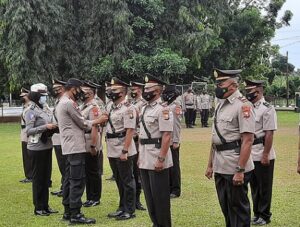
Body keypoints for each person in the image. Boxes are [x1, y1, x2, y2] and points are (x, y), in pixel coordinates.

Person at [205, 69, 255, 227]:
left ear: (233, 85)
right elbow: (216, 138)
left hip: (235, 166)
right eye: (217, 83)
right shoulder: (221, 104)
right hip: (220, 165)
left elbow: (247, 140)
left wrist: (240, 170)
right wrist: (210, 164)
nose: (218, 86)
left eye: (221, 83)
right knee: (226, 207)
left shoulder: (243, 106)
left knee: (238, 209)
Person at [56, 78, 108, 225]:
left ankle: (67, 211)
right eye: (79, 89)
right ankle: (75, 214)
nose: (80, 93)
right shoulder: (69, 103)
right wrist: (99, 121)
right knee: (77, 180)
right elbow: (83, 123)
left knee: (68, 179)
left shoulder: (62, 102)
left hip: (68, 146)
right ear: (73, 89)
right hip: (75, 146)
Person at [139, 73, 174, 227]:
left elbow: (166, 135)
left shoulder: (163, 109)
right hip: (145, 156)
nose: (144, 90)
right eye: (144, 88)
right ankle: (155, 223)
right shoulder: (144, 108)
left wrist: (161, 159)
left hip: (157, 156)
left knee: (160, 198)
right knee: (149, 197)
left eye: (148, 88)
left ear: (158, 91)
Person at [244, 79, 277, 225]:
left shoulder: (267, 108)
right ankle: (257, 213)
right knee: (254, 187)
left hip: (262, 152)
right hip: (250, 154)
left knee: (264, 187)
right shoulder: (248, 107)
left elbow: (269, 133)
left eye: (249, 91)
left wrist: (265, 154)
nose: (247, 93)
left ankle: (265, 215)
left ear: (258, 91)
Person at [106, 77, 137, 221]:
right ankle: (122, 206)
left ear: (123, 92)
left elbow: (130, 130)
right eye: (111, 90)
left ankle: (130, 210)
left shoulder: (129, 108)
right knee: (119, 179)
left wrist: (125, 151)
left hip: (124, 148)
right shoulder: (110, 107)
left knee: (127, 180)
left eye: (115, 90)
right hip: (112, 147)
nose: (111, 92)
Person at [25, 83, 58, 216]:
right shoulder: (30, 110)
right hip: (36, 148)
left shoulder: (45, 108)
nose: (44, 98)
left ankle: (45, 205)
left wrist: (53, 127)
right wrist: (46, 127)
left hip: (46, 146)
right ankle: (38, 207)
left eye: (45, 95)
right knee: (38, 178)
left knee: (46, 178)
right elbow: (29, 130)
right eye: (42, 95)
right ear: (35, 96)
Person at [80, 81, 104, 207]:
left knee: (94, 171)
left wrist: (94, 145)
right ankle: (89, 196)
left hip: (91, 140)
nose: (80, 94)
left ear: (90, 94)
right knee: (88, 171)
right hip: (84, 140)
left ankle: (95, 197)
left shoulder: (94, 107)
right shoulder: (83, 106)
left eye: (83, 92)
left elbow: (95, 126)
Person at [162, 84, 182, 199]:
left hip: (172, 140)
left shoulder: (176, 106)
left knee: (174, 166)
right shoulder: (165, 105)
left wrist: (176, 140)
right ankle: (168, 187)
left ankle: (175, 189)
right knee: (167, 165)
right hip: (165, 140)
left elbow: (177, 125)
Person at [130, 81, 147, 210]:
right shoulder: (131, 103)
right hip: (129, 140)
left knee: (137, 172)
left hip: (137, 141)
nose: (133, 91)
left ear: (140, 90)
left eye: (135, 88)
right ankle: (130, 199)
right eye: (132, 89)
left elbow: (142, 123)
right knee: (130, 172)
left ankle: (137, 200)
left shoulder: (143, 104)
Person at [51, 79, 67, 197]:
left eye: (56, 88)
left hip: (63, 138)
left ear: (62, 89)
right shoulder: (57, 101)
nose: (54, 91)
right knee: (62, 166)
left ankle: (66, 188)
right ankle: (64, 186)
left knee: (65, 165)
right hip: (56, 138)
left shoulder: (65, 101)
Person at [19, 88, 33, 183]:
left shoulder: (31, 107)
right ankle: (28, 175)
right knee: (25, 156)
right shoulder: (25, 106)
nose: (22, 98)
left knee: (29, 156)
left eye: (23, 96)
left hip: (28, 134)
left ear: (28, 96)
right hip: (24, 133)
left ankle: (31, 176)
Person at [105, 81, 115, 181]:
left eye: (109, 90)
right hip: (110, 135)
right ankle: (114, 174)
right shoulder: (109, 104)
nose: (107, 92)